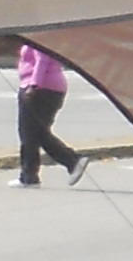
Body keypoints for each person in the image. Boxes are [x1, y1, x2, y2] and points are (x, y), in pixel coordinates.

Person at [12, 40, 86, 187]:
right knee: (33, 133)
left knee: (31, 132)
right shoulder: (36, 36)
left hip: (40, 89)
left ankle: (72, 160)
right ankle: (29, 176)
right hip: (47, 88)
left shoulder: (38, 38)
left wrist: (34, 85)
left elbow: (42, 60)